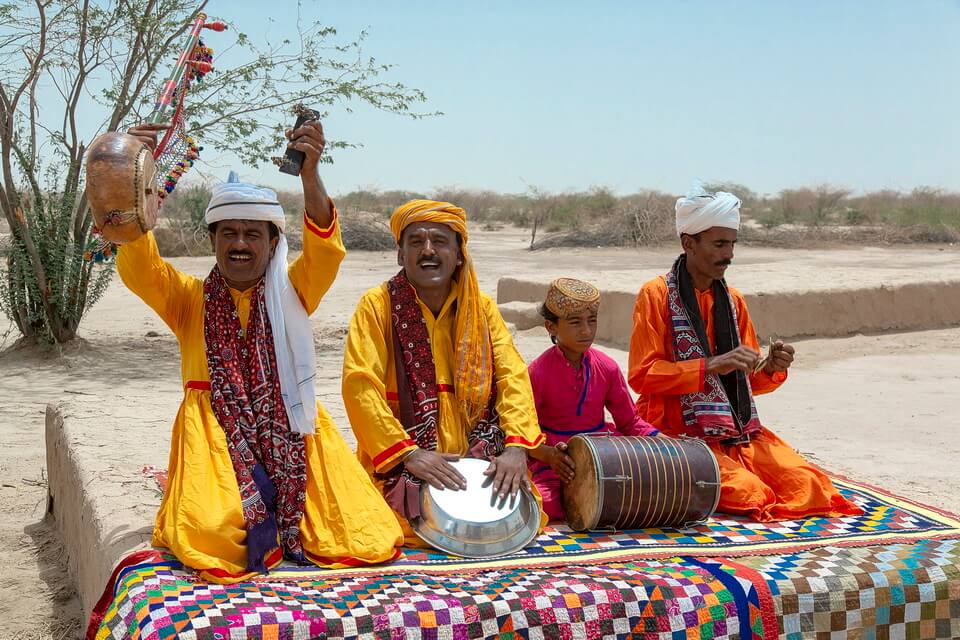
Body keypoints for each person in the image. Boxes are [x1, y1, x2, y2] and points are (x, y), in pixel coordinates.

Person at [117, 121, 401, 582]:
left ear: (273, 244)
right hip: (213, 432)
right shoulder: (186, 298)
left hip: (292, 421)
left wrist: (310, 174)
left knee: (360, 536)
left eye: (253, 233)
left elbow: (326, 253)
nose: (241, 244)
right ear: (212, 241)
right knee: (210, 534)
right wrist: (135, 178)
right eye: (229, 233)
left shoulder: (294, 292)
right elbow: (140, 266)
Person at [627, 181, 862, 522]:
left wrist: (770, 368)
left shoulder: (733, 300)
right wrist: (708, 366)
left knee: (809, 484)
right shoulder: (656, 294)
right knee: (752, 493)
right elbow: (642, 376)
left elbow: (748, 381)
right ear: (688, 243)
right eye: (720, 244)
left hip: (738, 433)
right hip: (673, 431)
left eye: (732, 244)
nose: (729, 254)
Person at [342, 199, 547, 545]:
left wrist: (516, 447)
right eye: (415, 242)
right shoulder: (376, 306)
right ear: (400, 254)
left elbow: (513, 376)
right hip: (405, 459)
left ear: (459, 253)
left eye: (439, 241)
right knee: (382, 529)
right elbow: (360, 386)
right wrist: (409, 454)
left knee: (518, 518)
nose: (427, 251)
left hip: (479, 454)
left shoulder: (482, 309)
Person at [527, 278, 659, 521]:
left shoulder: (607, 367)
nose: (586, 331)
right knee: (546, 504)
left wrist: (662, 442)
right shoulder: (537, 372)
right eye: (575, 322)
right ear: (551, 326)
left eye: (592, 321)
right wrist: (548, 455)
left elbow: (629, 422)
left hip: (603, 453)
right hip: (557, 461)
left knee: (644, 489)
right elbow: (523, 431)